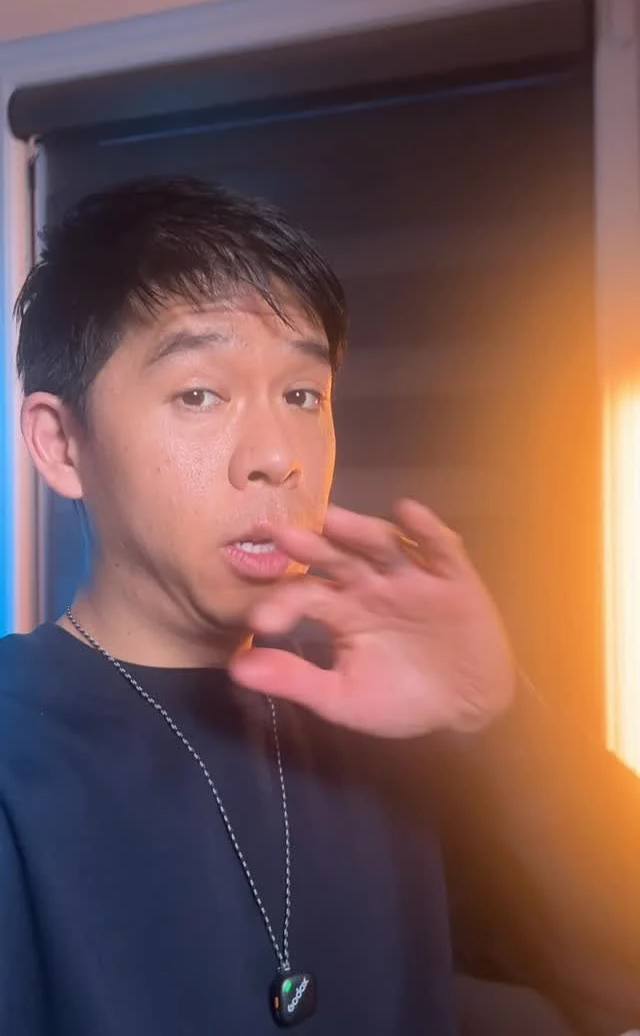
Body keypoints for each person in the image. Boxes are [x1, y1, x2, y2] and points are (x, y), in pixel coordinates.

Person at [0, 176, 513, 1035]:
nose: (276, 457)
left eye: (303, 396)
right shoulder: (16, 747)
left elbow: (612, 970)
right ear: (61, 444)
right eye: (200, 394)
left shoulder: (381, 713)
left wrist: (493, 715)